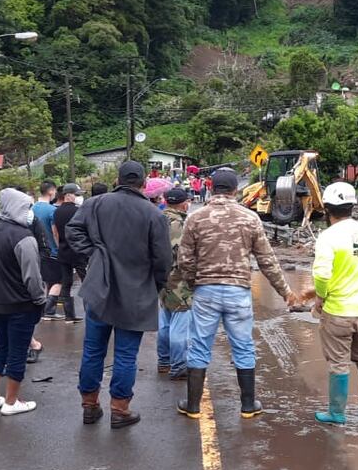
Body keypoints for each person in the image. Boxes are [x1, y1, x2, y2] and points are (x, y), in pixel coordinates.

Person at [177, 169, 299, 419]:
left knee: (199, 346)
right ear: (235, 190)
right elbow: (267, 261)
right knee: (243, 346)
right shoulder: (250, 218)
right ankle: (247, 405)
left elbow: (185, 260)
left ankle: (192, 406)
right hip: (238, 292)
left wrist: (194, 282)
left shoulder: (195, 218)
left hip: (206, 290)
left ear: (211, 188)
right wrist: (285, 292)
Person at [67, 160, 171, 428]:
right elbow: (163, 260)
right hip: (136, 291)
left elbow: (73, 230)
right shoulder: (154, 214)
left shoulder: (95, 204)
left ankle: (89, 405)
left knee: (93, 349)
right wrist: (156, 286)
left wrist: (93, 255)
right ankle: (119, 409)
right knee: (126, 354)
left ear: (118, 179)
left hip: (99, 287)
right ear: (144, 183)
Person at [304, 183, 358, 424]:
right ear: (352, 206)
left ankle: (337, 413)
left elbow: (323, 275)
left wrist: (320, 298)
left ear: (327, 209)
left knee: (339, 362)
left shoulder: (328, 236)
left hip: (339, 311)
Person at [0, 188, 47, 416]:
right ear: (18, 208)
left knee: (2, 348)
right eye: (27, 207)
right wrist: (40, 299)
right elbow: (32, 277)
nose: (29, 213)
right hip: (20, 305)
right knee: (18, 352)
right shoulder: (24, 238)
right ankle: (11, 401)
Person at [158, 187, 194, 380]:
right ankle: (179, 365)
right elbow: (180, 254)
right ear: (183, 203)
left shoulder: (157, 218)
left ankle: (163, 361)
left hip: (160, 278)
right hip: (178, 280)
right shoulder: (178, 223)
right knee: (180, 324)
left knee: (165, 320)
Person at [53, 183, 86, 323]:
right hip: (78, 251)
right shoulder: (79, 211)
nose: (78, 197)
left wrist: (59, 245)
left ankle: (69, 316)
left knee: (66, 283)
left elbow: (54, 232)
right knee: (87, 281)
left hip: (63, 250)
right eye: (76, 194)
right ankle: (91, 312)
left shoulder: (57, 211)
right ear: (68, 195)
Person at [33, 181, 64, 319]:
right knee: (58, 281)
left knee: (45, 280)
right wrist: (59, 247)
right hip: (52, 251)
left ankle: (41, 308)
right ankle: (49, 311)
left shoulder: (32, 208)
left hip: (36, 251)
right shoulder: (52, 210)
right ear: (51, 192)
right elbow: (55, 232)